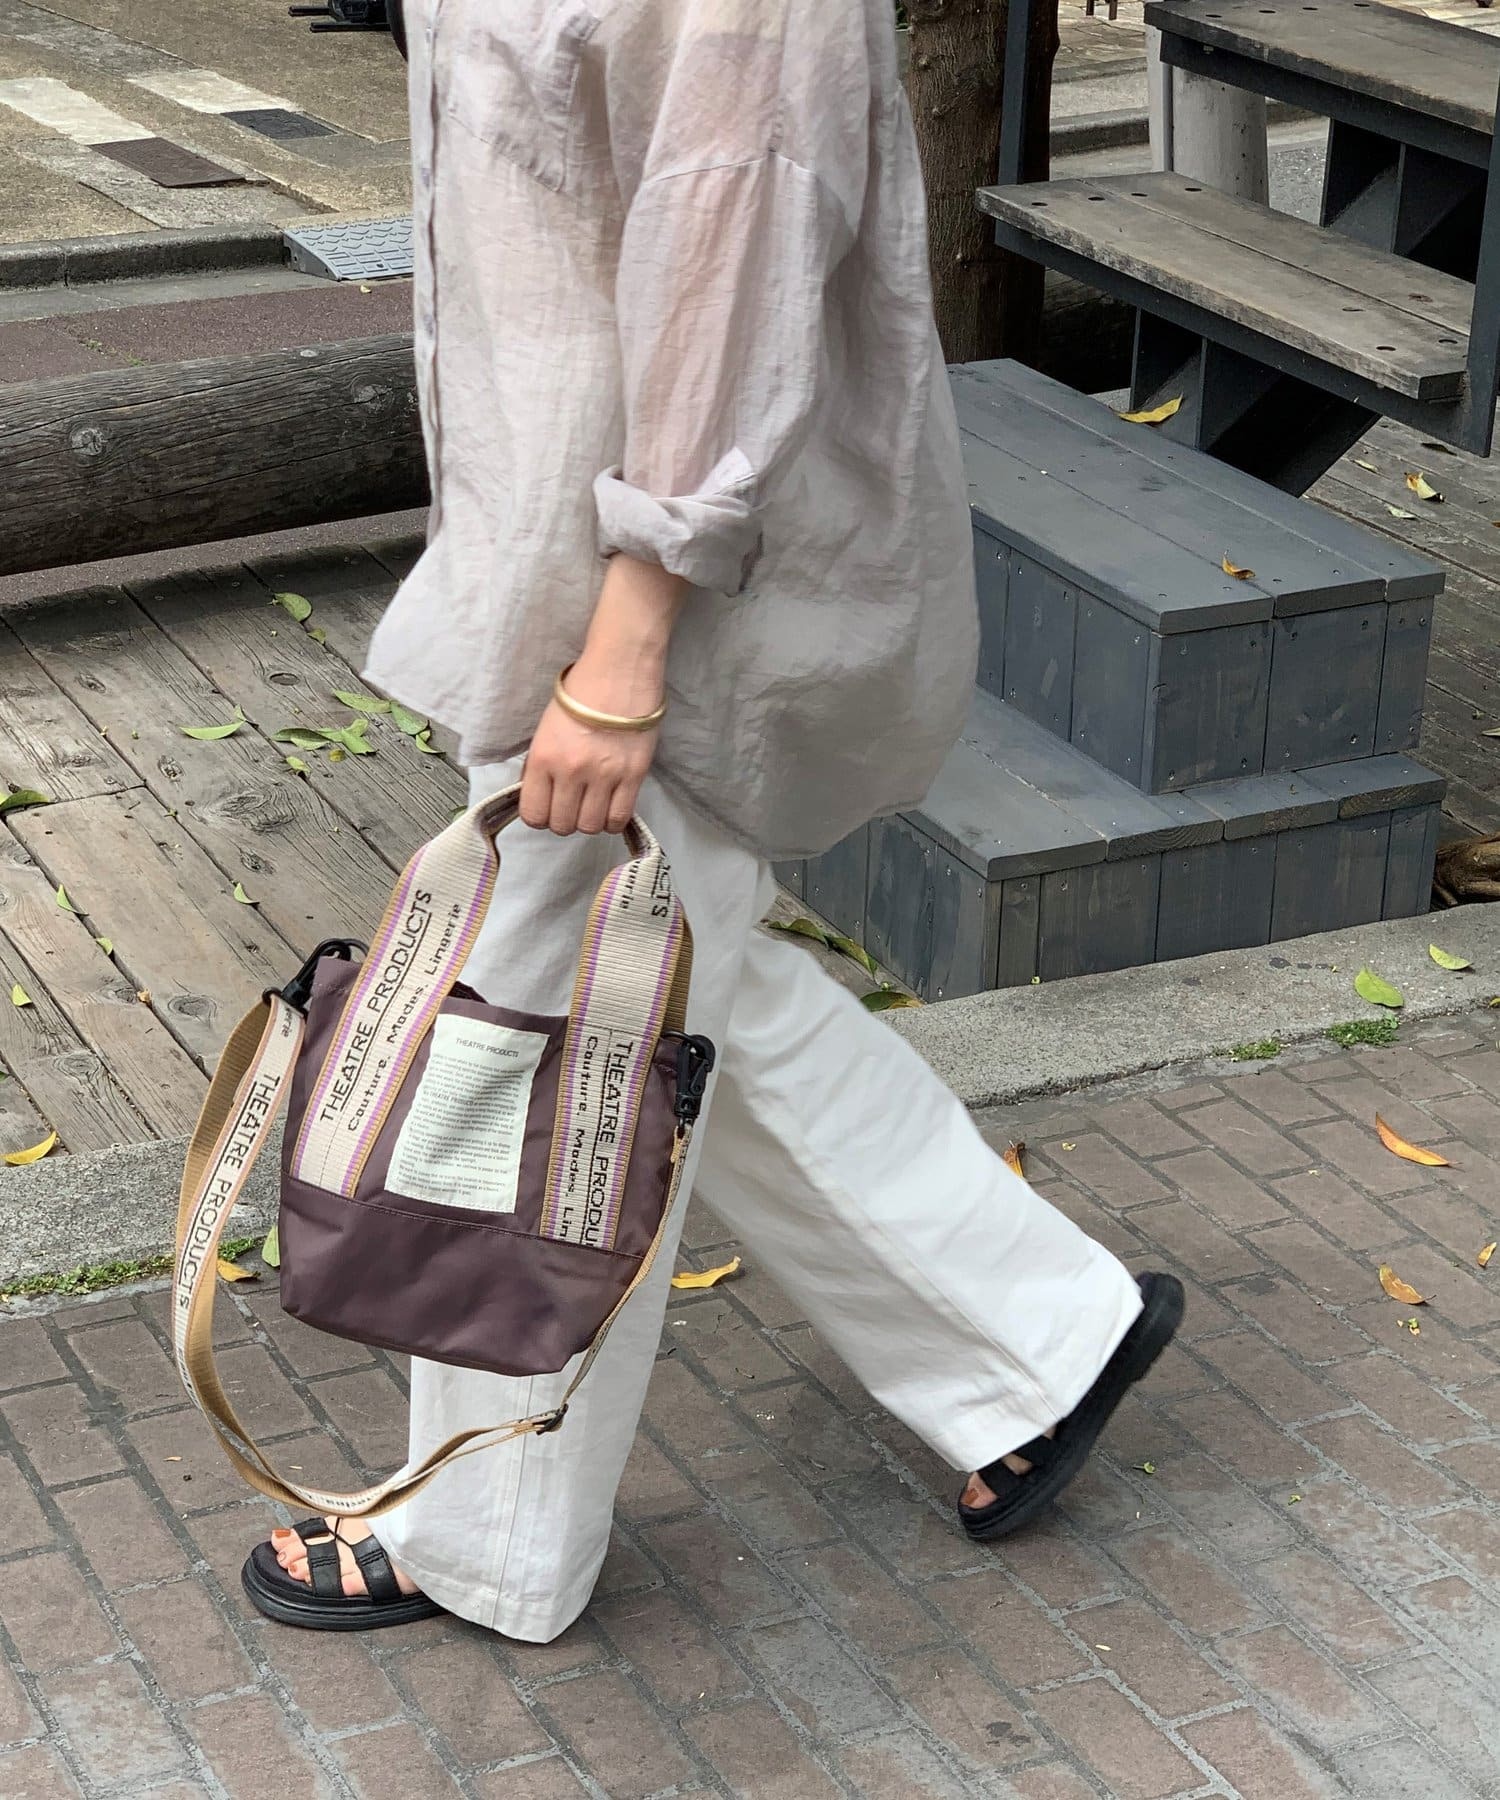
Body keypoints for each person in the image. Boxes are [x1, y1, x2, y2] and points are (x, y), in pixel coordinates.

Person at [241, 0, 1183, 1640]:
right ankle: (1041, 1338)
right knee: (691, 1000)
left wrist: (626, 647)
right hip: (567, 550)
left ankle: (479, 1534)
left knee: (545, 1036)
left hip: (654, 598)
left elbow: (735, 260)